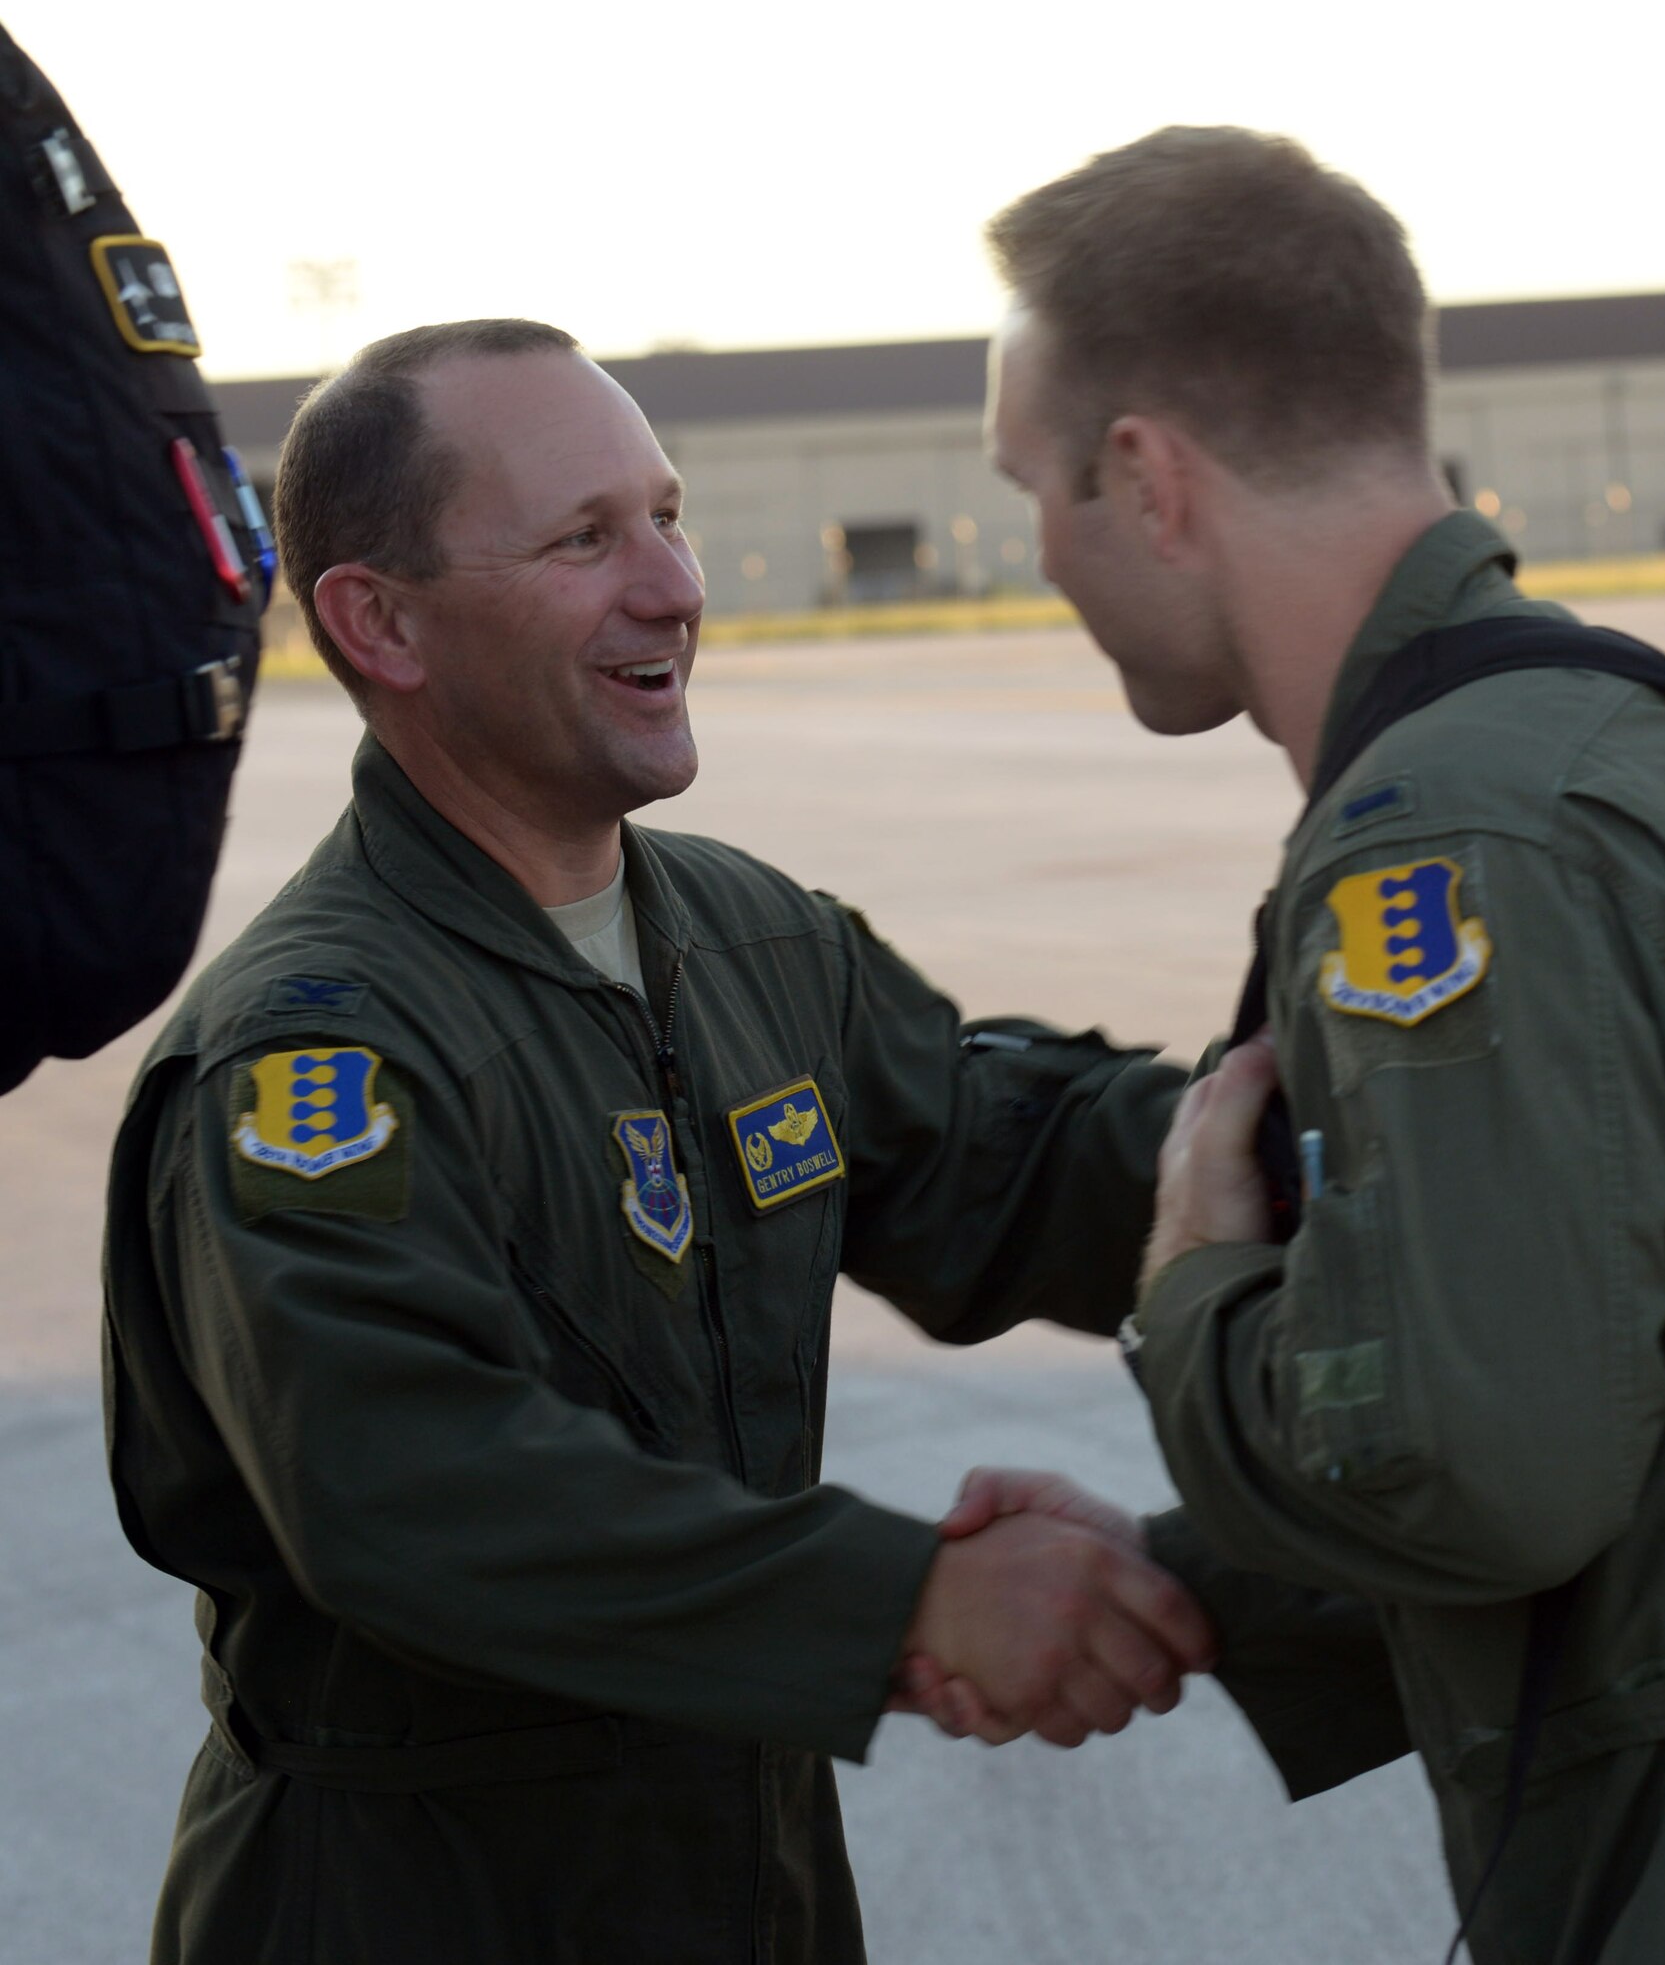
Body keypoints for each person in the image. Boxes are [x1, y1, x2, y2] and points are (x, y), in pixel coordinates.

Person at [99, 318, 1219, 1965]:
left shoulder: (757, 941)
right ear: (379, 621)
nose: (673, 584)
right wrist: (902, 1600)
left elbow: (1008, 1167)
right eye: (583, 538)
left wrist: (1289, 1119)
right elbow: (412, 1486)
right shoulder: (313, 1055)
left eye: (669, 514)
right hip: (419, 1905)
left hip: (744, 1879)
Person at [943, 126, 1665, 1963]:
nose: (1043, 551)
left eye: (1039, 490)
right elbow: (1650, 1397)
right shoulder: (1610, 734)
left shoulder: (1448, 846)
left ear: (1147, 476)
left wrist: (1197, 1297)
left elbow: (1491, 1478)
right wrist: (1180, 1577)